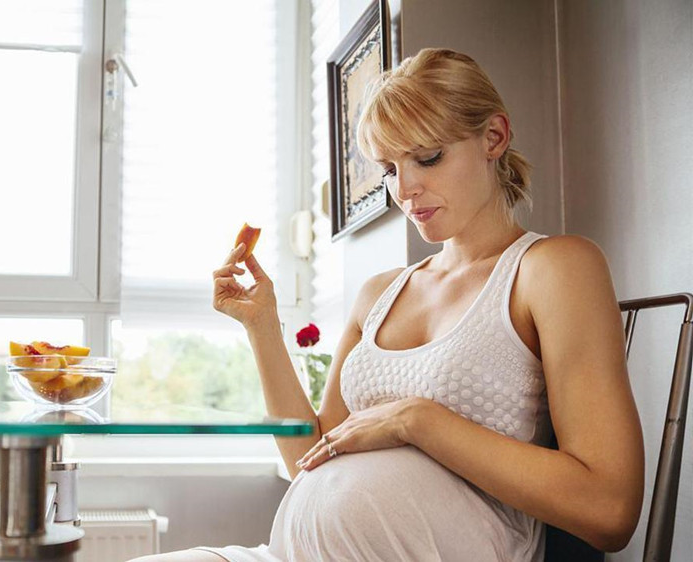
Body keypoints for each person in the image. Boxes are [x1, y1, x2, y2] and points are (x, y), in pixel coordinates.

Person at [131, 48, 645, 561]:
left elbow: (609, 510)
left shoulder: (551, 268)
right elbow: (308, 459)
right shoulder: (379, 293)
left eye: (427, 158)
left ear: (494, 137)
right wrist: (263, 326)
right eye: (388, 170)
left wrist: (418, 421)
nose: (406, 189)